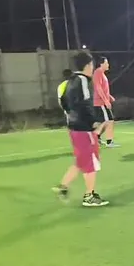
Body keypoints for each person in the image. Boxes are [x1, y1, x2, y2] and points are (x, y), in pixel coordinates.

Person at [53, 51, 108, 207]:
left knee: (81, 161)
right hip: (84, 128)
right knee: (91, 161)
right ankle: (89, 196)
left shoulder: (69, 81)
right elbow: (85, 103)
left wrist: (71, 117)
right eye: (92, 64)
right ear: (88, 65)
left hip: (74, 127)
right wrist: (93, 122)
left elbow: (64, 101)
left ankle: (63, 187)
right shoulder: (83, 80)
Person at [92, 56, 118, 148]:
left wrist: (109, 97)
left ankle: (96, 138)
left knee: (105, 121)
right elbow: (98, 88)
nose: (108, 65)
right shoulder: (98, 72)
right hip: (100, 103)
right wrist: (106, 101)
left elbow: (102, 88)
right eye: (106, 63)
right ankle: (108, 142)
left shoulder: (101, 73)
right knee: (109, 121)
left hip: (102, 101)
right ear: (101, 64)